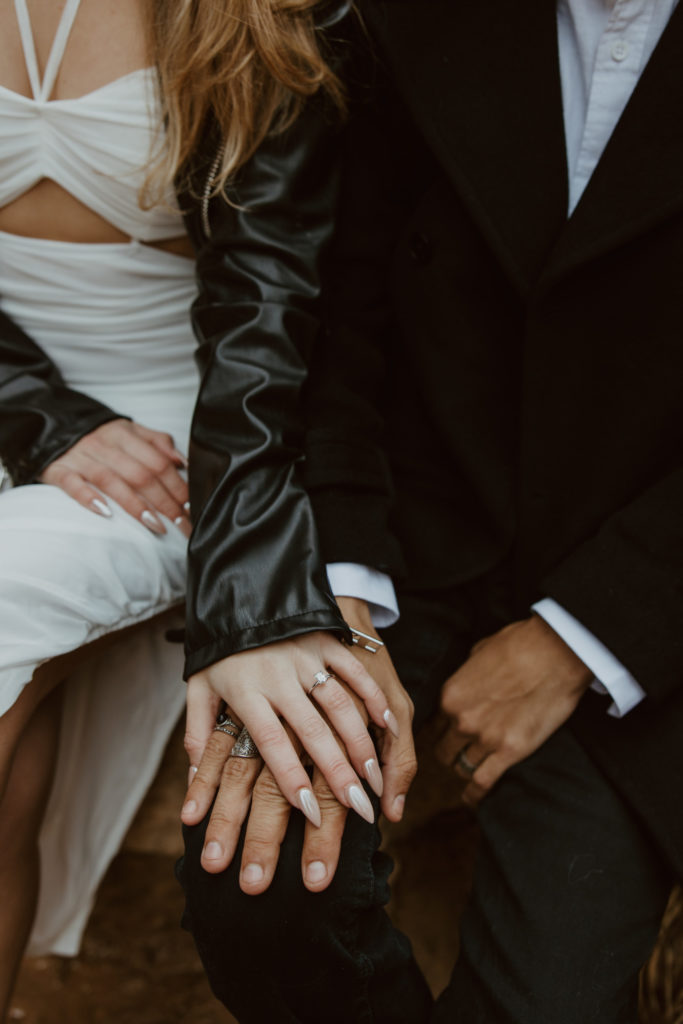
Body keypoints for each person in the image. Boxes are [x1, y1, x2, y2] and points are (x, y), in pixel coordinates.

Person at [176, 1, 683, 1022]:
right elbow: (338, 304)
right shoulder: (401, 15)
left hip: (644, 602)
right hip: (404, 536)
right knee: (259, 890)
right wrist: (338, 595)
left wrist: (577, 642)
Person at [0, 0, 384, 1016]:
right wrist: (31, 414)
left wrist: (246, 588)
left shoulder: (241, 10)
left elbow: (266, 304)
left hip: (180, 427)